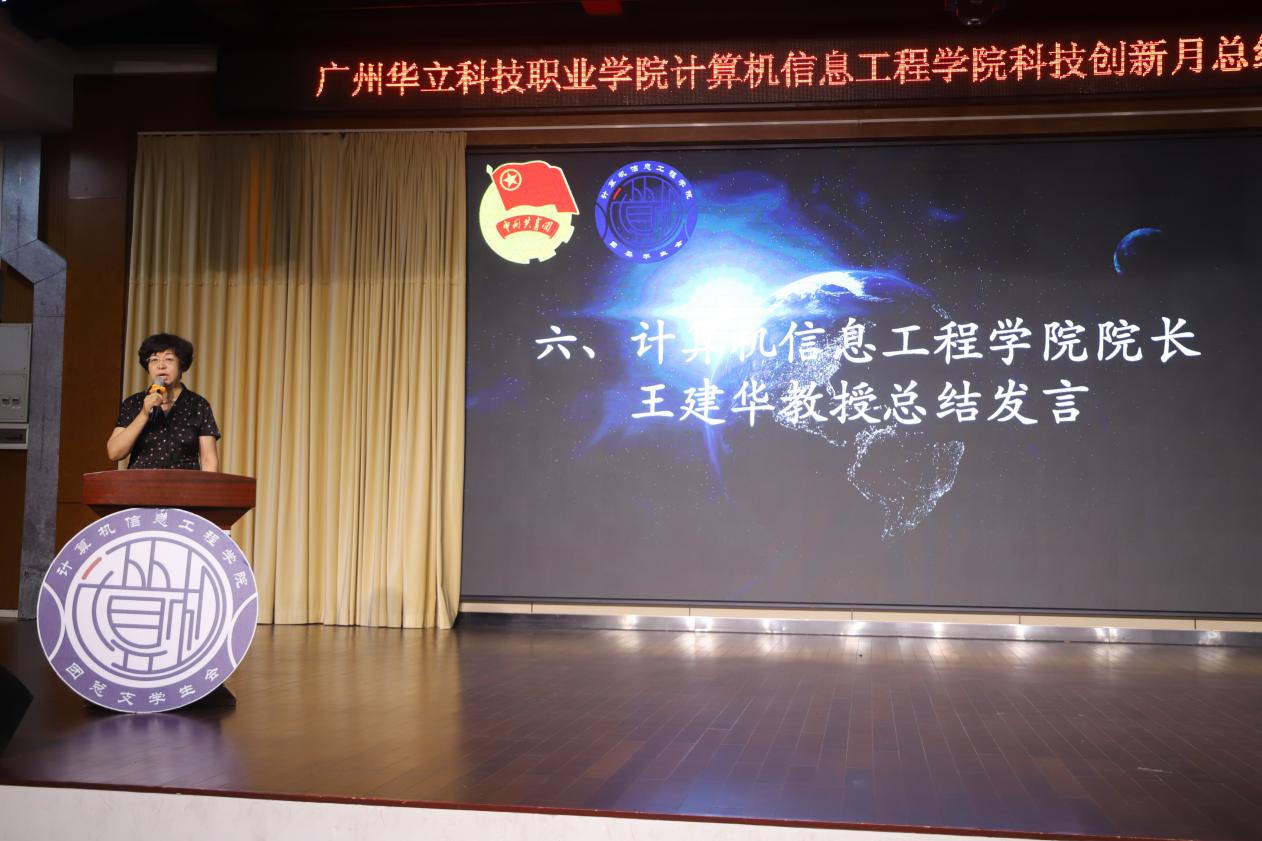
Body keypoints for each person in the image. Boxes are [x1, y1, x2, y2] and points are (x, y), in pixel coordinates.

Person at [106, 333, 220, 471]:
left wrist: (207, 484)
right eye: (154, 360)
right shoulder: (134, 403)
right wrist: (144, 414)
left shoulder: (198, 405)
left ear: (181, 365)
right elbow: (114, 453)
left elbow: (208, 459)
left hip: (185, 483)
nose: (161, 366)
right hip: (140, 482)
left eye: (169, 359)